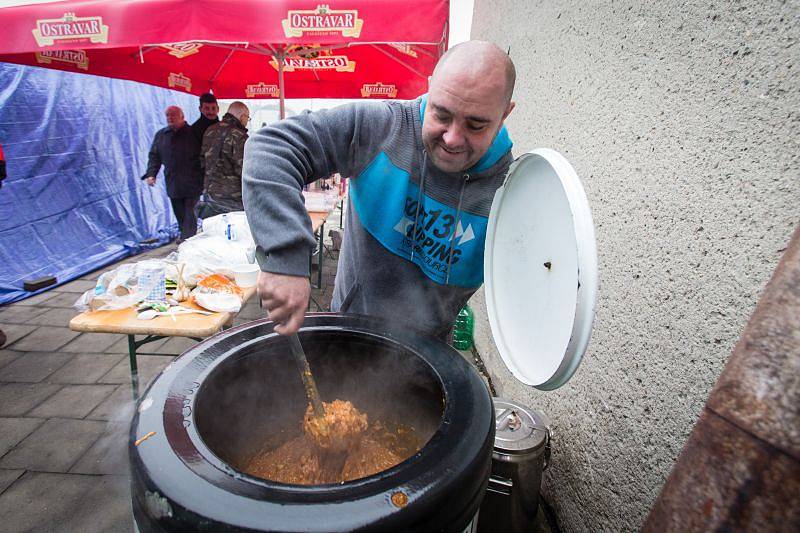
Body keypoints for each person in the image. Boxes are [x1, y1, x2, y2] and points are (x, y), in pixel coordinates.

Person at [243, 41, 515, 339]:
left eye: (475, 126)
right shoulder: (383, 127)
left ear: (504, 114)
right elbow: (272, 148)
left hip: (430, 353)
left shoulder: (512, 192)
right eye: (441, 115)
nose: (452, 138)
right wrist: (284, 260)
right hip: (348, 331)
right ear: (430, 87)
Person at [142, 106, 203, 242]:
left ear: (182, 117)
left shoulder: (193, 134)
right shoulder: (161, 135)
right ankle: (185, 235)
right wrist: (151, 174)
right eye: (168, 115)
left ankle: (187, 239)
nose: (170, 118)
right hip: (173, 183)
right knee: (180, 213)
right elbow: (154, 156)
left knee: (190, 213)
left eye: (173, 115)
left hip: (193, 183)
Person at [199, 101, 250, 217]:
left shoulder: (210, 130)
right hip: (232, 200)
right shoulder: (239, 136)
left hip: (210, 195)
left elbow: (203, 161)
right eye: (248, 117)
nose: (247, 121)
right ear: (242, 116)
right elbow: (244, 169)